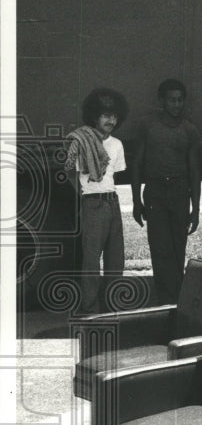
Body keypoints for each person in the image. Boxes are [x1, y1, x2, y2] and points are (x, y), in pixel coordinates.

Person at [131, 78, 202, 304]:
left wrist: (196, 209)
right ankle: (165, 301)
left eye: (180, 100)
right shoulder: (148, 126)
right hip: (155, 193)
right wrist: (135, 201)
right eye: (171, 100)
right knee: (160, 250)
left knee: (177, 248)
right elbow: (137, 165)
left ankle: (177, 303)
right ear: (162, 101)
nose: (176, 104)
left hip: (180, 192)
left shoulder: (189, 130)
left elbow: (194, 173)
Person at [64, 87, 128, 314]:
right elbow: (70, 171)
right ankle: (90, 309)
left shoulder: (117, 144)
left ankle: (112, 307)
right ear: (93, 116)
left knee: (115, 258)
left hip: (113, 203)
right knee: (91, 260)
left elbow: (114, 175)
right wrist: (82, 192)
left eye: (114, 115)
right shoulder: (82, 141)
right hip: (92, 204)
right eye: (105, 114)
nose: (111, 119)